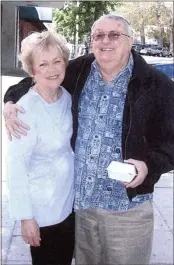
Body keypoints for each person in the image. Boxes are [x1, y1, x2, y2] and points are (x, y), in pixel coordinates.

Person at [3, 14, 174, 265]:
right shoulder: (79, 71)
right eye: (98, 35)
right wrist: (9, 102)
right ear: (92, 41)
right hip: (82, 209)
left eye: (115, 34)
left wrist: (149, 164)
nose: (106, 41)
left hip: (127, 211)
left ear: (131, 40)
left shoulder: (155, 84)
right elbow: (37, 76)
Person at [5, 30, 75, 265]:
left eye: (57, 61)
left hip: (68, 204)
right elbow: (16, 167)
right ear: (32, 70)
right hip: (42, 211)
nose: (51, 69)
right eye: (42, 64)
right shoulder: (25, 110)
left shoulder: (66, 96)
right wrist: (25, 218)